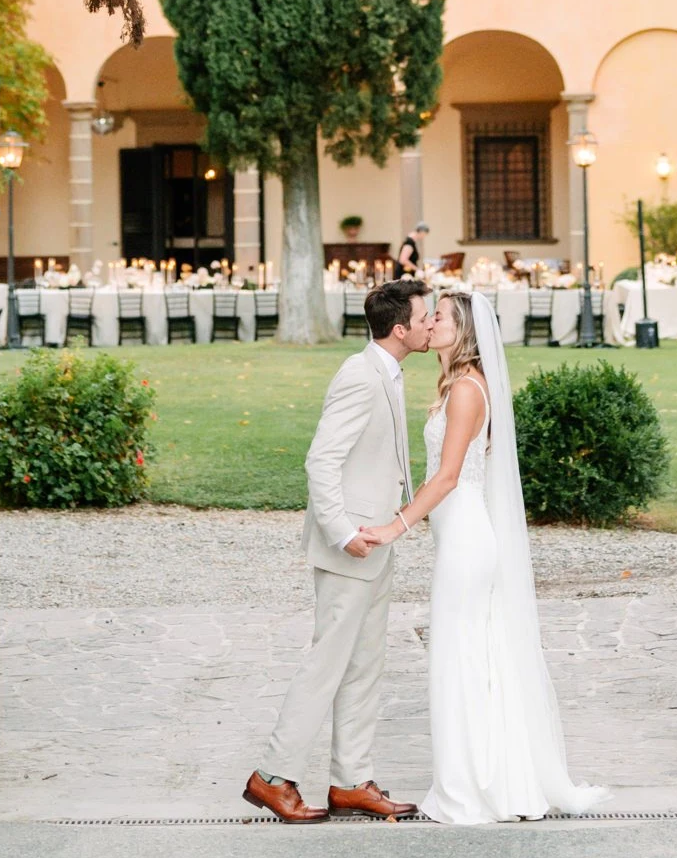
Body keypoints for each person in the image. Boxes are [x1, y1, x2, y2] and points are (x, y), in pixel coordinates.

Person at [357, 288, 605, 824]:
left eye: (438, 317)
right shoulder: (456, 386)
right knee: (468, 657)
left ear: (462, 330)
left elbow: (447, 477)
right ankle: (484, 780)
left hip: (467, 537)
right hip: (458, 535)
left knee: (459, 660)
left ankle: (470, 789)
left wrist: (393, 526)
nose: (429, 323)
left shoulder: (468, 390)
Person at [243, 277, 432, 824]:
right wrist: (344, 531)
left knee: (365, 664)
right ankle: (272, 777)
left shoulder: (388, 373)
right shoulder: (359, 374)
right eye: (424, 318)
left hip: (377, 542)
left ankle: (351, 781)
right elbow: (320, 461)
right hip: (351, 546)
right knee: (327, 664)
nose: (430, 324)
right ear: (400, 329)